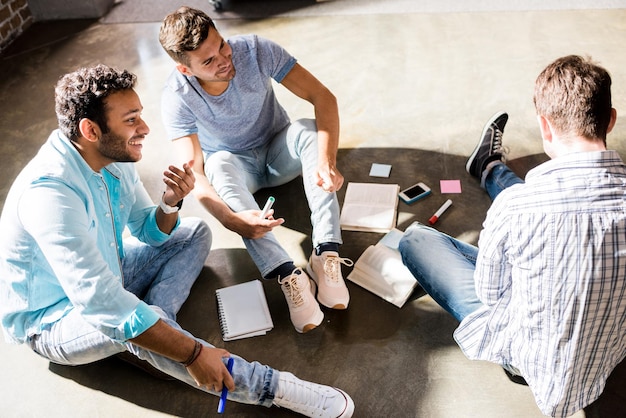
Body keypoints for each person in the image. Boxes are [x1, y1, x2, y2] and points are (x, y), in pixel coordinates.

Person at [0, 65, 354, 417]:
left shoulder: (112, 156)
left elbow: (148, 232)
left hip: (111, 271)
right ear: (91, 130)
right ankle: (272, 388)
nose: (145, 129)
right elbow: (104, 305)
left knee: (194, 232)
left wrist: (170, 201)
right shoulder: (49, 195)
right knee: (137, 319)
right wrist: (192, 354)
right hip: (54, 320)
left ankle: (159, 329)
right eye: (131, 120)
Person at [398, 55, 625, 418]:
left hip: (528, 360)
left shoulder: (517, 207)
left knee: (415, 240)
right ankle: (489, 167)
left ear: (544, 127)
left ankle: (489, 166)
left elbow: (490, 294)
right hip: (606, 363)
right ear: (610, 119)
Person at [158, 6, 352, 334]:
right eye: (208, 61)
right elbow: (198, 176)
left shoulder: (256, 50)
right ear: (185, 69)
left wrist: (326, 161)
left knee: (307, 130)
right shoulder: (176, 97)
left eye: (221, 45)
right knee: (217, 165)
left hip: (279, 151)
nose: (224, 58)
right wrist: (230, 220)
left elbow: (323, 97)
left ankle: (326, 252)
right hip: (235, 167)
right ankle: (289, 275)